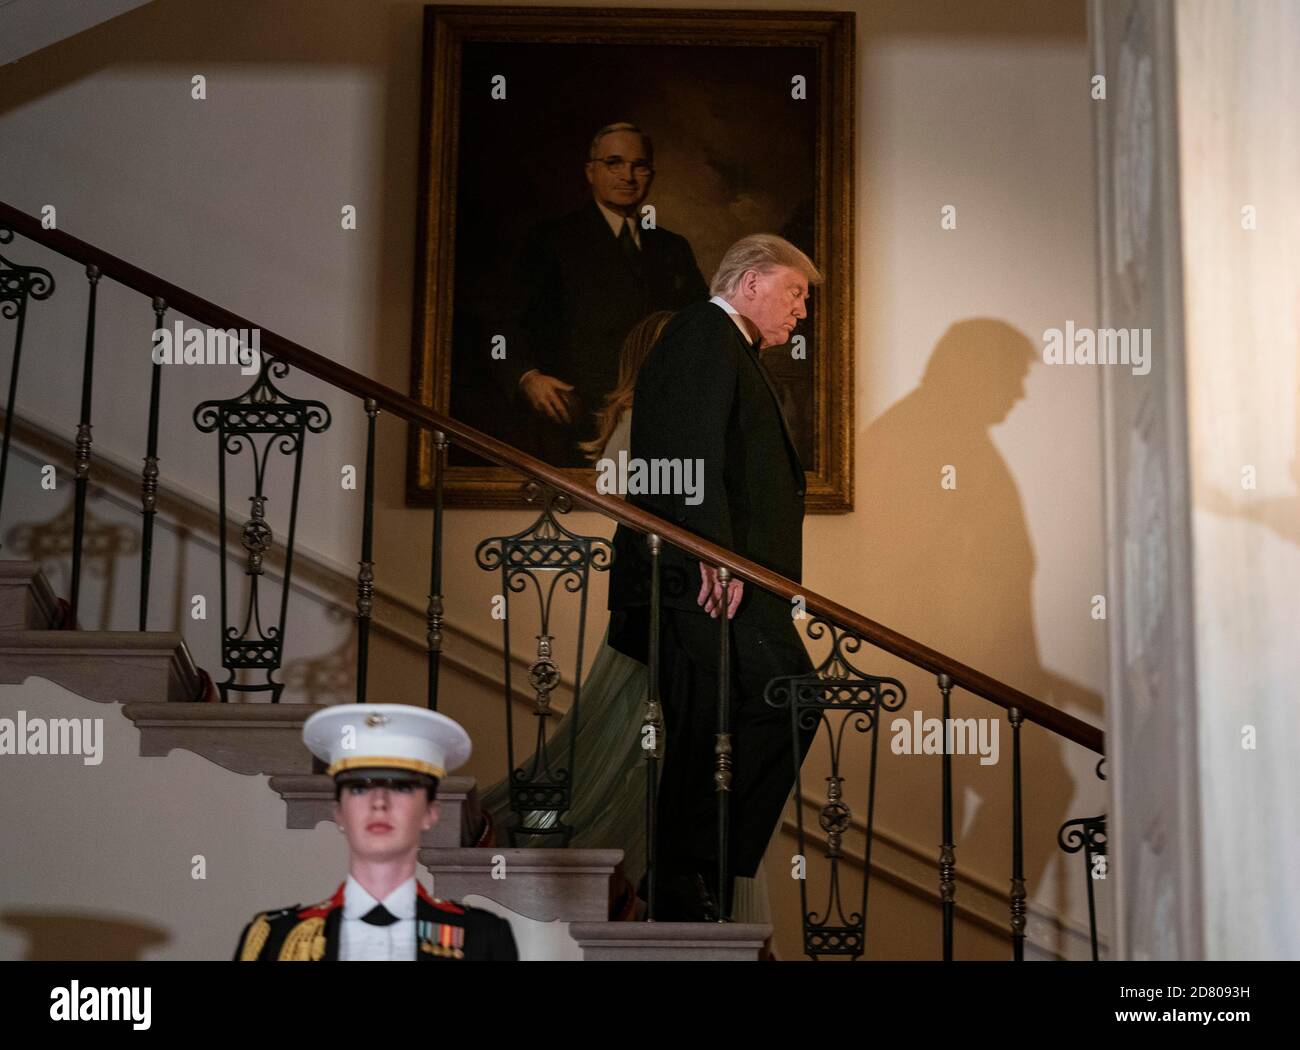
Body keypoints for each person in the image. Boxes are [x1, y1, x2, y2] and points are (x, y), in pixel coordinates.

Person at [479, 310, 775, 929]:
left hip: (685, 589)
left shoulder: (685, 413)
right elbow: (621, 490)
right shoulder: (647, 415)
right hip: (659, 588)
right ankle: (669, 874)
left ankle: (688, 873)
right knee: (660, 729)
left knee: (694, 733)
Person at [608, 233, 824, 921]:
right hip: (708, 579)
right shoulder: (704, 333)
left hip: (722, 576)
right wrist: (714, 556)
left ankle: (685, 878)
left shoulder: (723, 343)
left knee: (714, 724)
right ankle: (687, 872)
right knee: (783, 701)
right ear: (753, 281)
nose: (801, 313)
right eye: (795, 293)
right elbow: (687, 453)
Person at [233, 704, 518, 961]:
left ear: (431, 812)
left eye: (402, 787)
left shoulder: (482, 937)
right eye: (359, 788)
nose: (379, 802)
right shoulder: (279, 937)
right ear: (339, 812)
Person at [500, 122, 709, 465]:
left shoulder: (672, 247)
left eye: (638, 165)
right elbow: (503, 319)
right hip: (576, 416)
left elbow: (700, 326)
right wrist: (527, 377)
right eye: (614, 163)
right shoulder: (552, 240)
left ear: (650, 174)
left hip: (654, 419)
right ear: (591, 171)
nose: (627, 176)